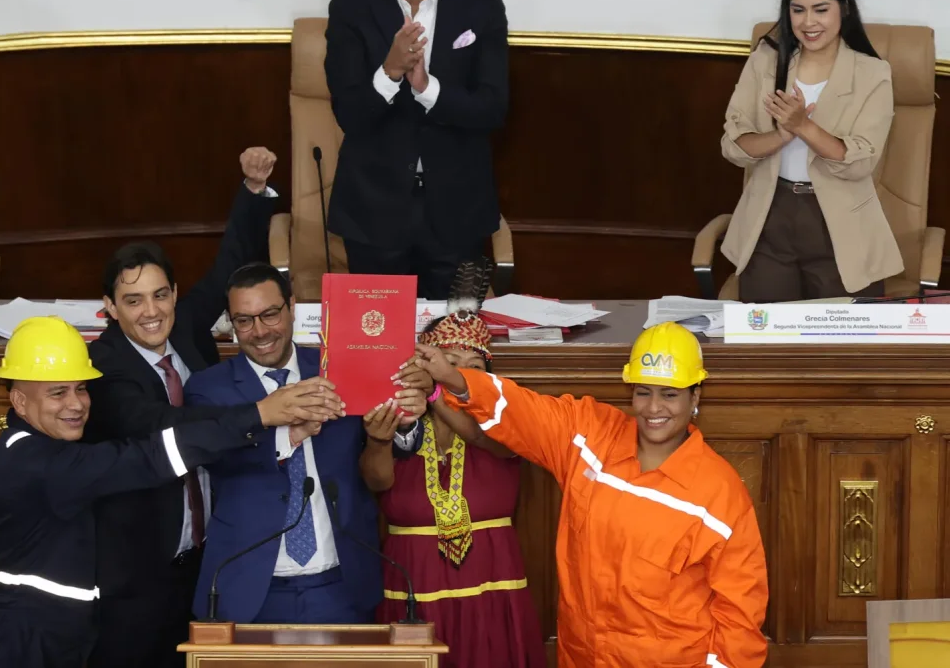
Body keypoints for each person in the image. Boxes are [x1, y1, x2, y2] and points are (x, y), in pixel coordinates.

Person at [415, 322, 769, 668]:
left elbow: (740, 616)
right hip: (581, 656)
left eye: (670, 394)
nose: (653, 408)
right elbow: (523, 410)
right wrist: (456, 380)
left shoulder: (719, 493)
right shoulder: (590, 436)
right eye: (643, 392)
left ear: (696, 396)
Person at [84, 149, 319, 668]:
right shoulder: (104, 364)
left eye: (160, 295)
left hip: (205, 558)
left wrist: (253, 191)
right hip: (137, 571)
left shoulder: (185, 327)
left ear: (173, 293)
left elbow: (229, 267)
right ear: (110, 307)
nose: (151, 312)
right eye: (133, 301)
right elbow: (158, 425)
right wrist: (261, 413)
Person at [0, 317, 262, 668]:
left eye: (81, 388)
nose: (77, 404)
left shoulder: (40, 449)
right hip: (14, 649)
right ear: (19, 401)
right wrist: (257, 416)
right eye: (58, 392)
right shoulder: (36, 464)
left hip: (44, 639)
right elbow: (148, 458)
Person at [184, 263, 430, 623]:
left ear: (292, 307)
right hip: (247, 589)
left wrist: (403, 421)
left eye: (270, 314)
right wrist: (288, 434)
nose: (259, 331)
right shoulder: (208, 388)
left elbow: (388, 455)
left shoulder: (340, 369)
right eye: (244, 320)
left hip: (342, 584)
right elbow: (216, 460)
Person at [361, 307, 545, 668]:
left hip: (492, 582)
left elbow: (487, 440)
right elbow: (377, 482)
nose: (458, 374)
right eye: (448, 363)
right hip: (414, 582)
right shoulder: (401, 414)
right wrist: (381, 439)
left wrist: (436, 393)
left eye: (474, 367)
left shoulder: (501, 417)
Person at [324, 0, 509, 300]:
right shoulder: (352, 2)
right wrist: (390, 72)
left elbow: (492, 108)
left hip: (458, 209)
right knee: (378, 327)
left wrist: (427, 89)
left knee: (456, 327)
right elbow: (349, 114)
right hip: (374, 207)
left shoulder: (481, 2)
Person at [721, 0, 900, 302]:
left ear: (844, 8)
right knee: (767, 327)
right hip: (770, 216)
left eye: (820, 10)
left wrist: (803, 126)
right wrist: (782, 136)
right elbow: (733, 146)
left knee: (838, 330)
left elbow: (860, 163)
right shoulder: (766, 59)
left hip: (842, 224)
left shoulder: (873, 73)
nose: (808, 22)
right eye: (798, 10)